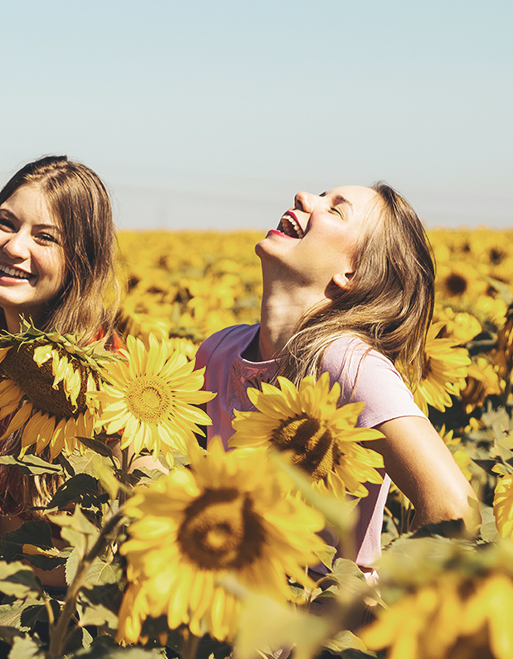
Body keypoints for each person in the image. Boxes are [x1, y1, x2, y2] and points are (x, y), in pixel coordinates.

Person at [195, 183, 478, 571]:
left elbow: (453, 507)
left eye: (335, 210)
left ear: (352, 273)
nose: (303, 197)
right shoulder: (218, 351)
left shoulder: (347, 364)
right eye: (319, 195)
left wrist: (364, 610)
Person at [0, 156, 120, 571]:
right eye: (5, 223)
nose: (14, 247)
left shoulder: (113, 368)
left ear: (81, 261)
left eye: (45, 237)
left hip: (83, 612)